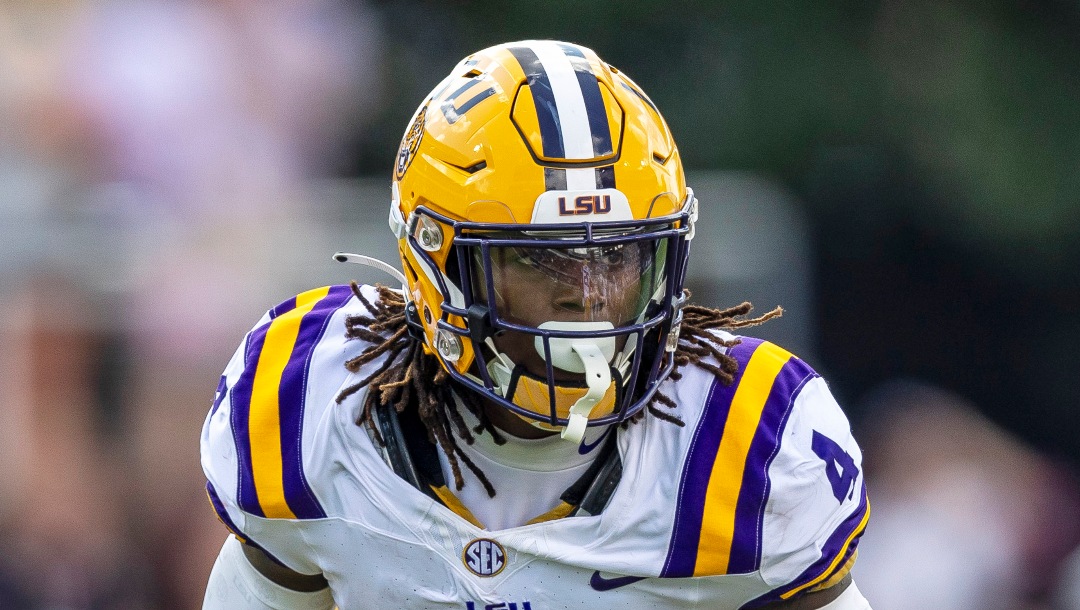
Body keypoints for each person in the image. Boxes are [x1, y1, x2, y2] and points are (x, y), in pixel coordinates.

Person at [200, 40, 872, 609]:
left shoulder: (745, 448)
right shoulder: (311, 406)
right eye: (539, 258)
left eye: (616, 254)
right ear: (437, 264)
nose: (587, 296)